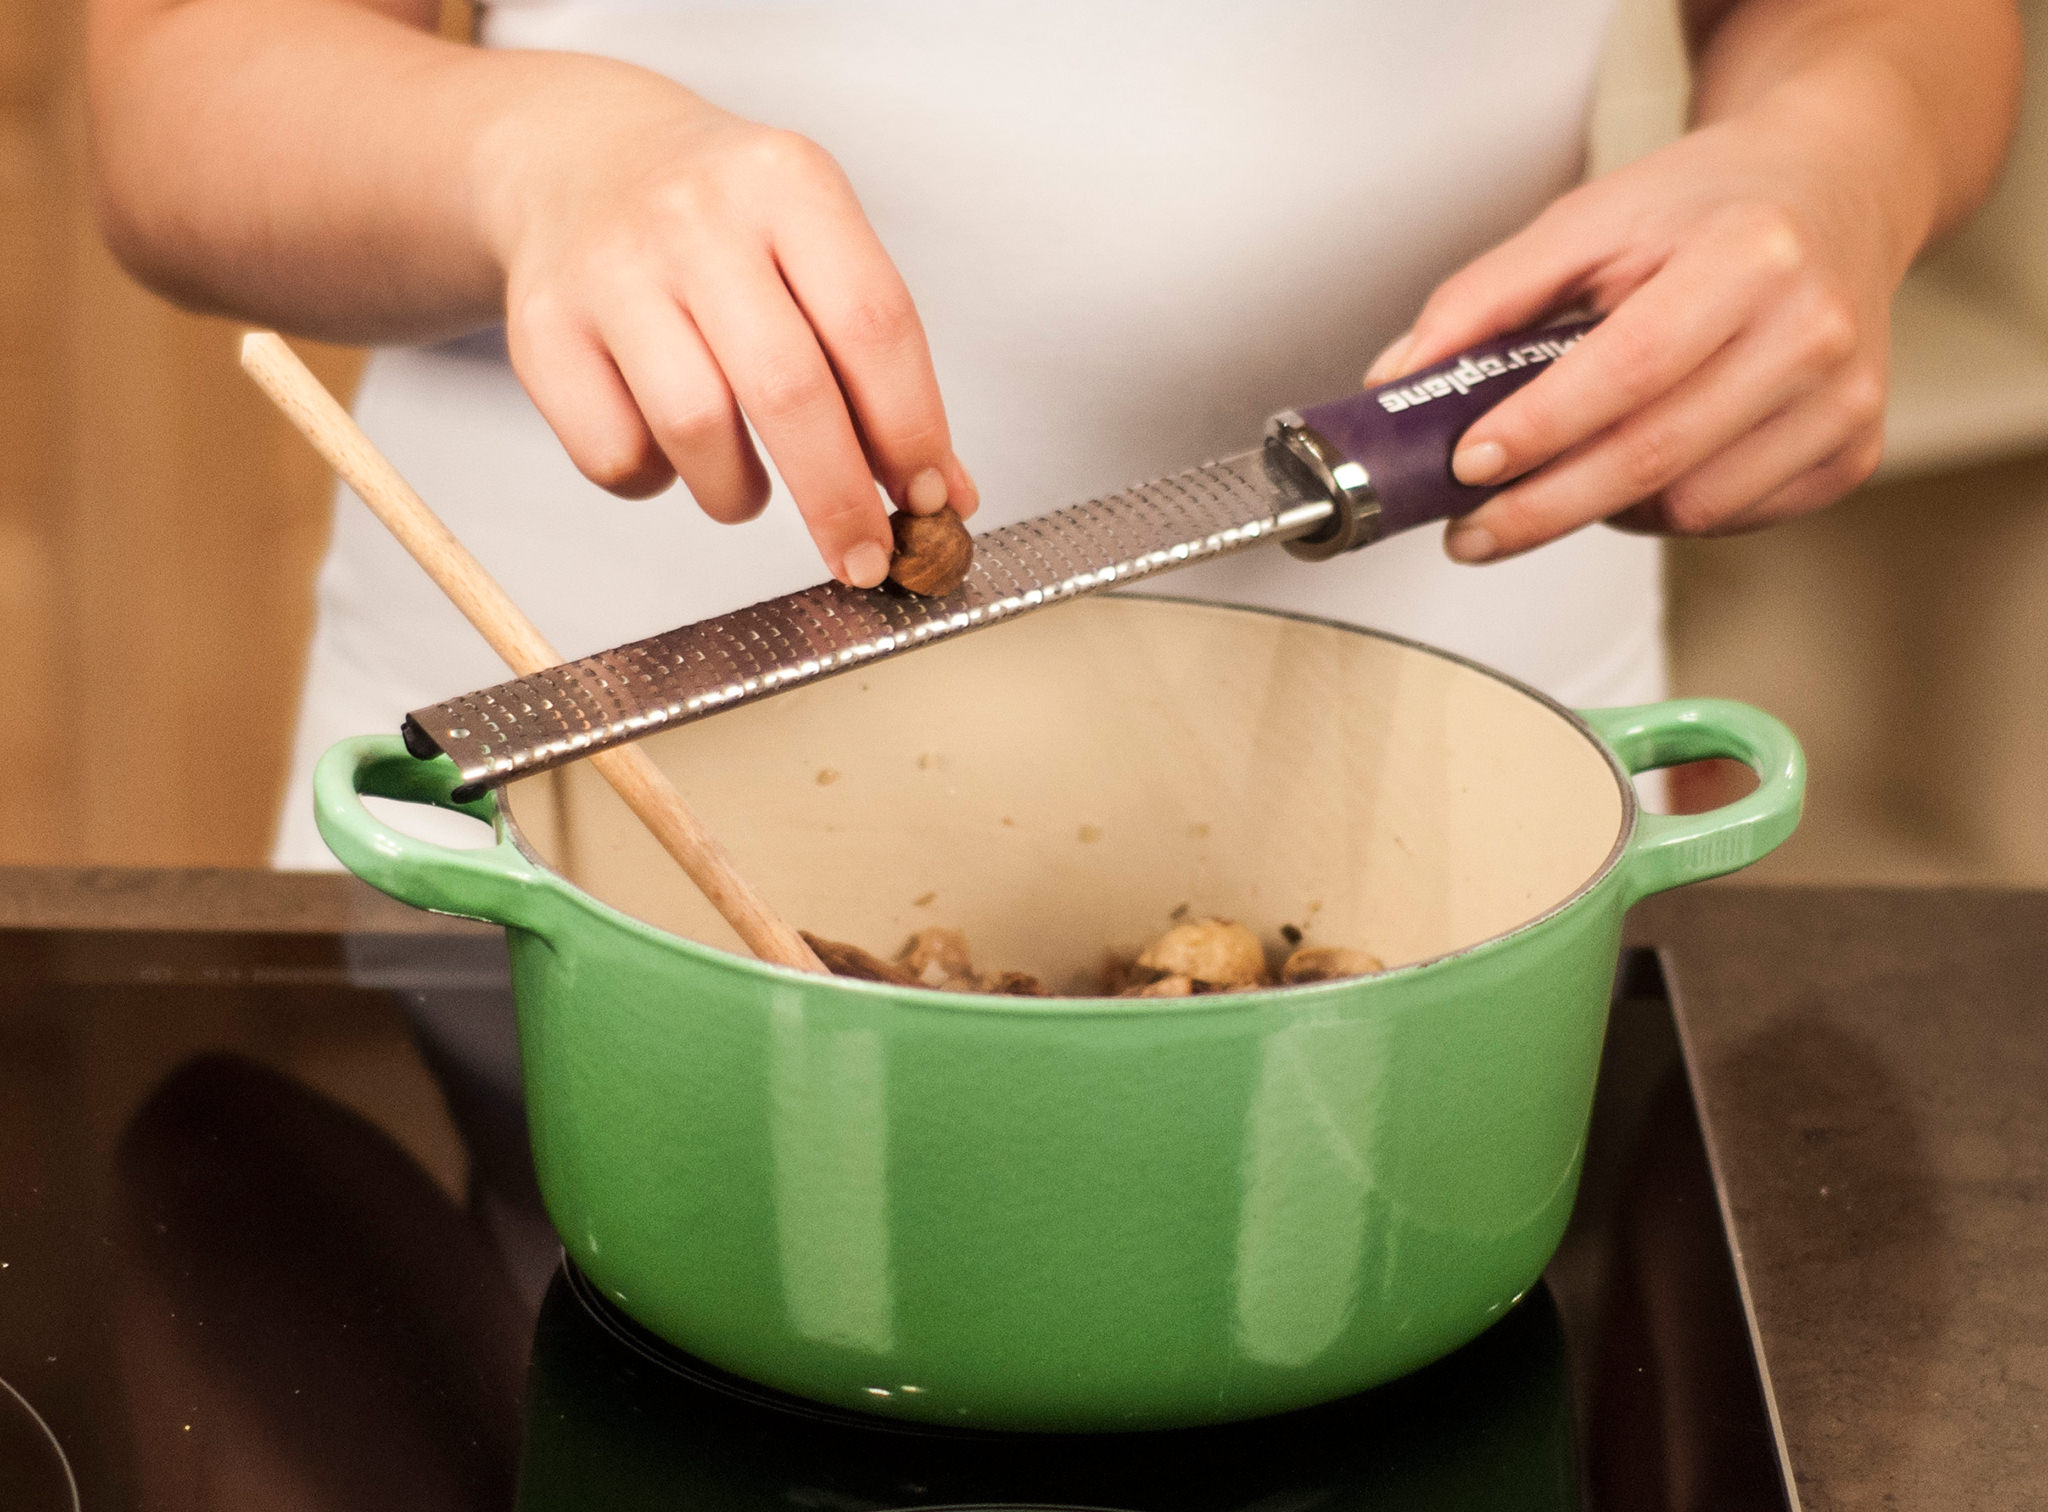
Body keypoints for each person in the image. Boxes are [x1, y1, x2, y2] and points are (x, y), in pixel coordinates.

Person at [87, 0, 2019, 868]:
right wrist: (537, 154)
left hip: (1458, 820)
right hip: (550, 832)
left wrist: (1837, 156)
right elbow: (173, 81)